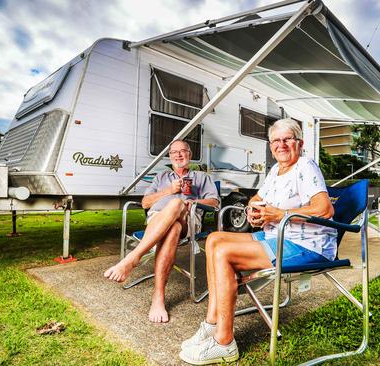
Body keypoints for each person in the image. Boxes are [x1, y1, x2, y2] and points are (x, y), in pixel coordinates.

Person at [178, 119, 337, 365]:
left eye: (287, 139)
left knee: (224, 253)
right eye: (276, 141)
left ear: (300, 143)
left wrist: (278, 214)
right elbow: (257, 197)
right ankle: (212, 323)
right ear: (271, 146)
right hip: (276, 235)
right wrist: (253, 208)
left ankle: (224, 342)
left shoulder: (305, 165)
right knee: (214, 239)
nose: (281, 145)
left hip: (306, 245)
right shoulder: (276, 170)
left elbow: (324, 209)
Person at [104, 139, 220, 323]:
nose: (179, 155)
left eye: (183, 151)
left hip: (188, 221)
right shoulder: (161, 177)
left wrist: (193, 202)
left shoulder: (201, 177)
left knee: (177, 203)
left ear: (190, 155)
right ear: (170, 156)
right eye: (174, 152)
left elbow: (214, 203)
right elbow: (145, 203)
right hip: (158, 219)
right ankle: (158, 298)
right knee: (172, 228)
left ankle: (133, 258)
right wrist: (168, 191)